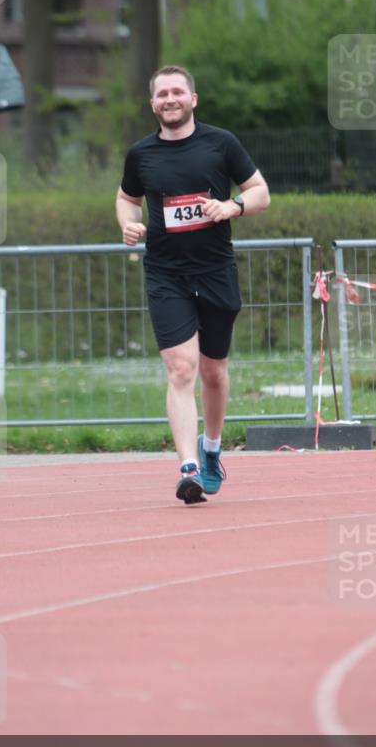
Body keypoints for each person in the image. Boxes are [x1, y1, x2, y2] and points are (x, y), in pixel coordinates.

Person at [115, 65, 270, 504]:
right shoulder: (140, 154)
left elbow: (260, 191)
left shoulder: (221, 143)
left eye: (177, 92)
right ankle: (187, 468)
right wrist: (129, 224)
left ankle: (211, 450)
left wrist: (231, 207)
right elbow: (127, 199)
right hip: (166, 274)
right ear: (153, 104)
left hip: (216, 270)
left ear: (193, 99)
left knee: (213, 370)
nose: (170, 99)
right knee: (181, 368)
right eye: (162, 93)